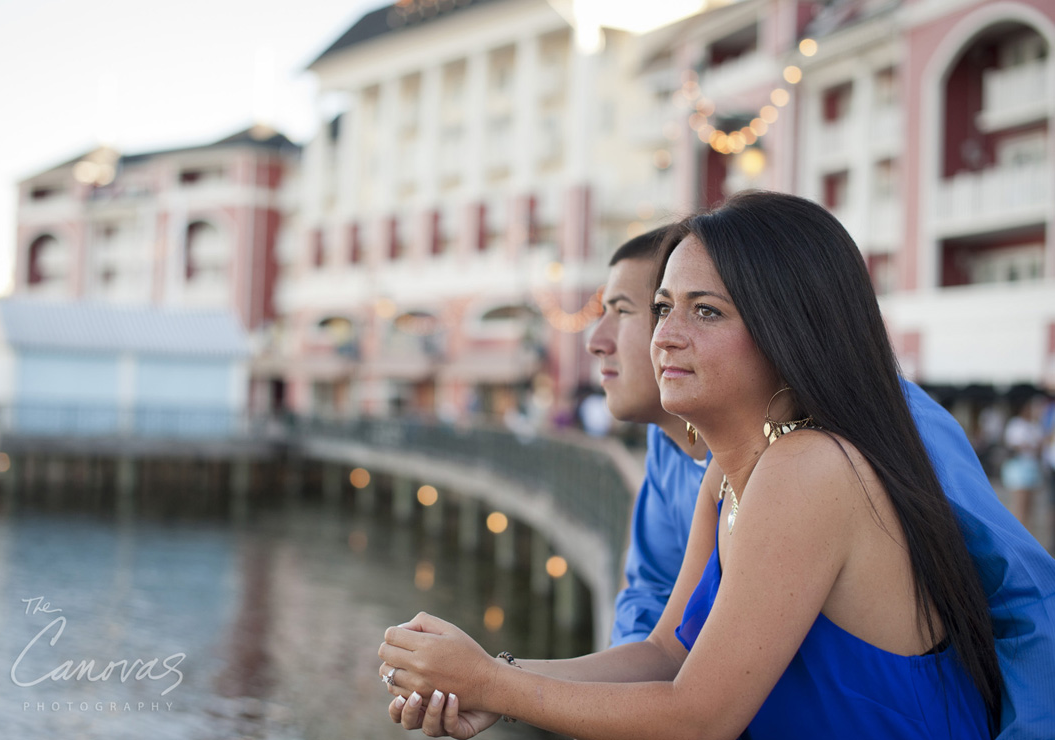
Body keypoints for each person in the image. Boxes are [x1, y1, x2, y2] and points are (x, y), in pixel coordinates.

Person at [378, 191, 1008, 739]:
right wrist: (494, 678)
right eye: (661, 308)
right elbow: (666, 652)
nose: (665, 335)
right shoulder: (730, 474)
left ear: (790, 330)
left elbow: (698, 720)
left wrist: (493, 685)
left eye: (705, 311)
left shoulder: (810, 469)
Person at [584, 225, 710, 646]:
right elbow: (650, 595)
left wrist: (496, 681)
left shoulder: (810, 455)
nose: (596, 342)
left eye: (621, 311)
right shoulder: (668, 443)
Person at [1002, 397, 1045, 530]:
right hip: (1019, 468)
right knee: (1019, 506)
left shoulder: (1034, 425)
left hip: (1031, 468)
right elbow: (1012, 445)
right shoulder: (1016, 424)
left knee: (1029, 508)